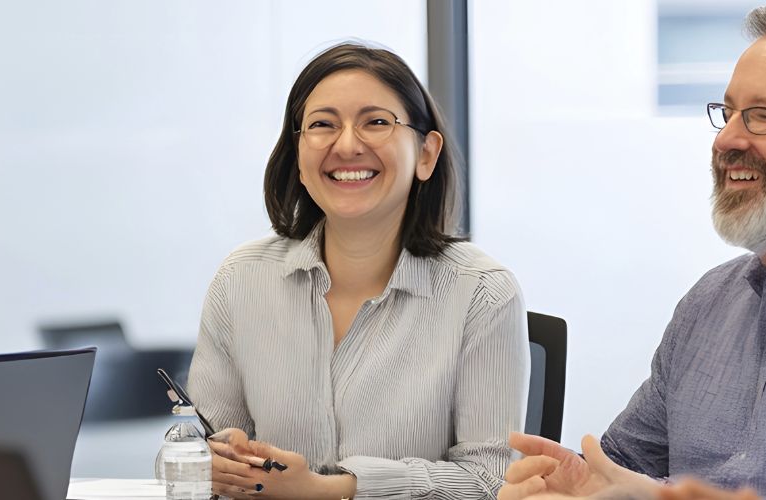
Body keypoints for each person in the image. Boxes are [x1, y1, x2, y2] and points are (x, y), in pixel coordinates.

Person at [500, 5, 766, 500]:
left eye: (762, 116)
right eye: (727, 113)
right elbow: (623, 464)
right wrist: (575, 488)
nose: (726, 138)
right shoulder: (710, 300)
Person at [187, 43, 530, 499]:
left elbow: (491, 483)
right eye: (323, 125)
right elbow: (188, 454)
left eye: (376, 122)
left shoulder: (483, 294)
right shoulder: (240, 281)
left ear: (426, 154)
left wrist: (327, 489)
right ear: (298, 157)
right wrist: (209, 462)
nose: (346, 145)